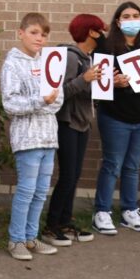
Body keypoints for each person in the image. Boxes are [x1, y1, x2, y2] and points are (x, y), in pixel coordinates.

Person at [91, 1, 140, 235]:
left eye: (136, 15)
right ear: (118, 21)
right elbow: (97, 84)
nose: (132, 19)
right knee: (112, 164)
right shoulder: (105, 47)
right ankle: (102, 211)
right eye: (127, 15)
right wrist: (113, 83)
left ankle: (129, 210)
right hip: (115, 115)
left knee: (132, 166)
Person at [1, 13, 64, 261]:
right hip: (27, 139)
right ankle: (15, 239)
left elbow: (57, 100)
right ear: (21, 33)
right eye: (34, 32)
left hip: (49, 136)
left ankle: (30, 237)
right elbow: (10, 103)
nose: (40, 38)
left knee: (40, 192)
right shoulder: (12, 63)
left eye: (44, 34)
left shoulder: (49, 62)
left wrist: (45, 102)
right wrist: (40, 100)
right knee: (26, 191)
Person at [43, 14, 106, 247]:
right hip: (67, 123)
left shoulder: (88, 58)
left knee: (74, 175)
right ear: (91, 32)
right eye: (101, 30)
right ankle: (51, 226)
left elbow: (87, 93)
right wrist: (85, 79)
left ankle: (65, 221)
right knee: (68, 175)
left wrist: (109, 84)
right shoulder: (71, 57)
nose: (103, 36)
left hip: (82, 122)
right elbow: (61, 92)